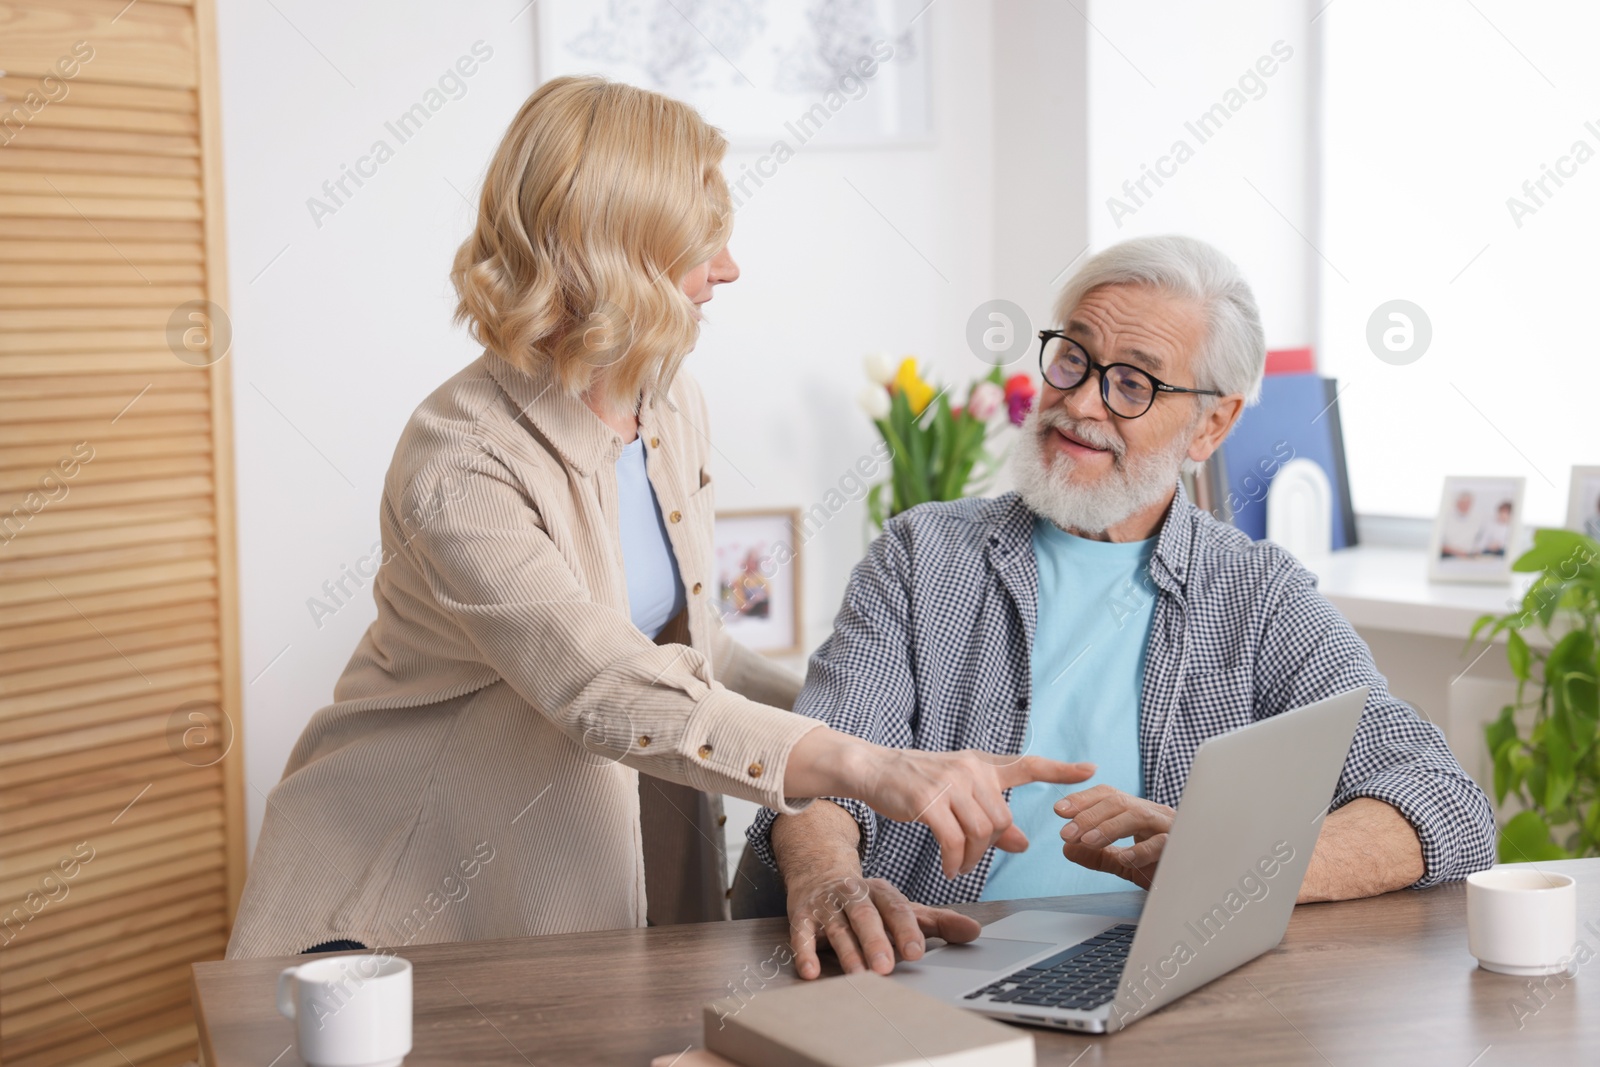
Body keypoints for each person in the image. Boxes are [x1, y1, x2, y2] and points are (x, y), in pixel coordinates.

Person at [226, 77, 1088, 959]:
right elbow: (602, 686)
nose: (728, 267)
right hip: (399, 893)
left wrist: (881, 733)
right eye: (701, 241)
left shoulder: (666, 406)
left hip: (561, 878)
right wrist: (868, 765)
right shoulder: (461, 455)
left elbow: (692, 650)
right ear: (617, 256)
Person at [748, 236, 1496, 980]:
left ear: (1212, 424)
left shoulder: (1260, 596)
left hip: (1176, 979)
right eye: (1072, 358)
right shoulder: (923, 556)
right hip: (930, 964)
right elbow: (820, 773)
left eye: (1131, 383)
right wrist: (829, 874)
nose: (1077, 402)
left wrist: (1236, 861)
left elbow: (1444, 802)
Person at [1439, 490, 1480, 558]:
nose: (1465, 506)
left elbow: (1475, 543)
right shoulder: (1446, 518)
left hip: (1468, 557)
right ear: (1457, 503)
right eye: (1463, 503)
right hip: (1448, 557)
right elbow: (1439, 544)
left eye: (1468, 503)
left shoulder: (1475, 520)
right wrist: (1455, 552)